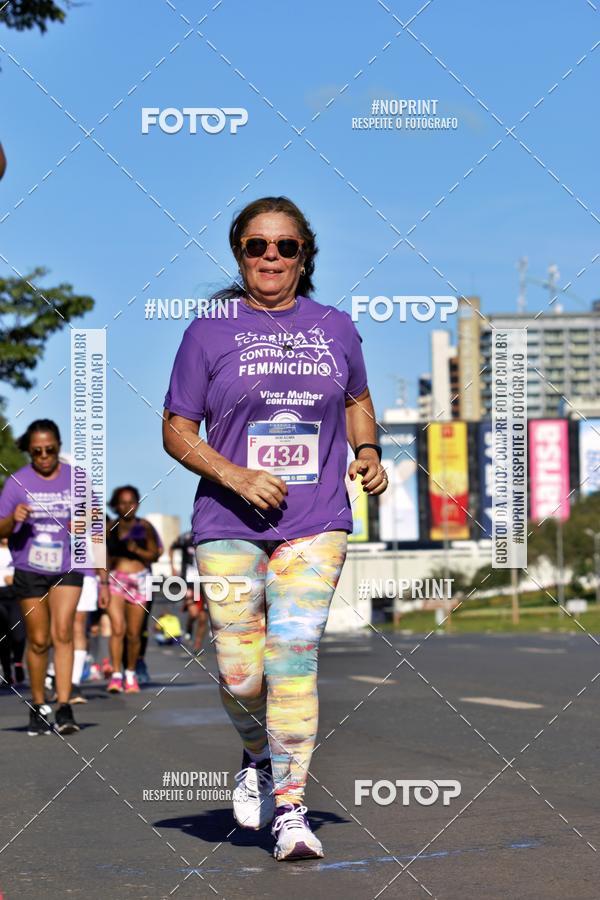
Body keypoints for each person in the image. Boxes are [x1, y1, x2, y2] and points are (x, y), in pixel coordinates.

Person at [162, 196, 388, 861]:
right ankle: (255, 755)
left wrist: (368, 451)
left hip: (315, 520)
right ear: (239, 254)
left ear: (303, 255)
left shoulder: (335, 328)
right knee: (241, 673)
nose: (270, 256)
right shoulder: (208, 332)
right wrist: (235, 475)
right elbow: (177, 429)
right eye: (256, 245)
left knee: (292, 659)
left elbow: (358, 400)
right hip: (227, 519)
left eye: (285, 246)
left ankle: (291, 810)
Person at [0, 419, 110, 735]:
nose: (44, 456)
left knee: (63, 633)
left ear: (59, 447)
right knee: (38, 640)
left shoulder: (77, 479)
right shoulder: (17, 482)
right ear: (29, 451)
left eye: (50, 450)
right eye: (37, 452)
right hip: (30, 568)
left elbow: (98, 524)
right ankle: (38, 704)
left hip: (68, 565)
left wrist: (103, 575)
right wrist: (13, 519)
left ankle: (64, 706)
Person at [103, 486, 160, 693]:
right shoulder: (110, 527)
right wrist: (103, 583)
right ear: (116, 505)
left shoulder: (144, 527)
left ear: (137, 504)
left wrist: (137, 550)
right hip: (116, 580)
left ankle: (130, 673)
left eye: (131, 502)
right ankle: (116, 676)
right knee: (117, 629)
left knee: (134, 634)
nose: (127, 506)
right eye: (123, 503)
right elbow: (103, 557)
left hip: (139, 580)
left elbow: (155, 554)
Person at [169, 530, 208, 652]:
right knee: (194, 613)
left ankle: (197, 644)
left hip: (206, 581)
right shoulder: (186, 538)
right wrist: (172, 566)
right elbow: (172, 548)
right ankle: (188, 628)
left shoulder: (210, 536)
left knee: (203, 618)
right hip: (189, 580)